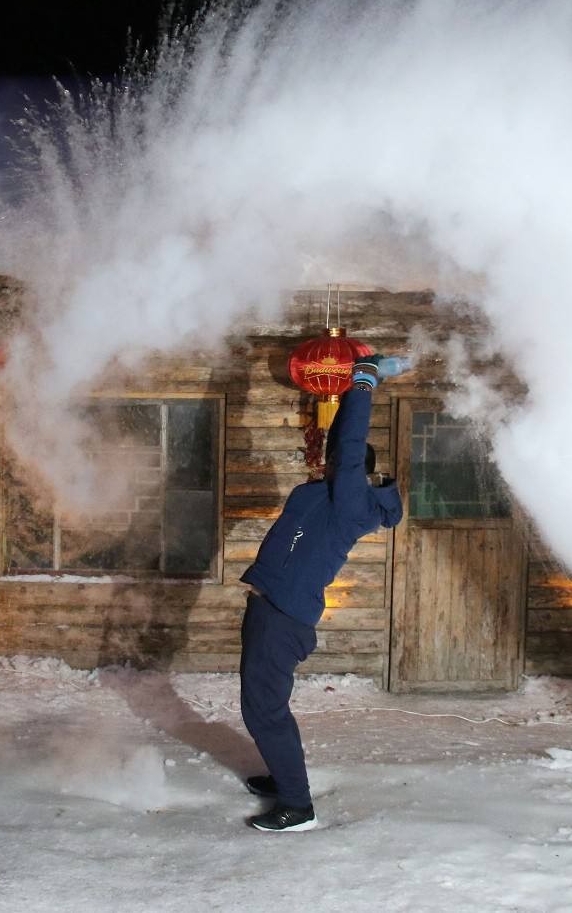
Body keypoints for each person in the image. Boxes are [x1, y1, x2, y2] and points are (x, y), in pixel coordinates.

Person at [238, 352, 411, 831]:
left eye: (340, 462)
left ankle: (298, 807)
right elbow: (342, 444)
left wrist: (364, 381)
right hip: (269, 608)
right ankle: (283, 773)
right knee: (262, 703)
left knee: (263, 708)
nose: (330, 461)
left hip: (283, 616)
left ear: (354, 473)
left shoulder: (350, 507)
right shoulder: (323, 493)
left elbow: (351, 444)